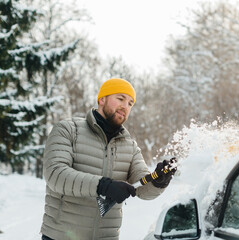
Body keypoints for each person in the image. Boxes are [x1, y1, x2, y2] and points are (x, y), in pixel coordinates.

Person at [40, 78, 175, 240]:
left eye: (130, 103)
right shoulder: (68, 130)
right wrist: (103, 186)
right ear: (102, 99)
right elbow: (55, 175)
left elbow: (142, 188)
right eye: (120, 99)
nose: (125, 106)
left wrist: (158, 181)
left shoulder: (130, 146)